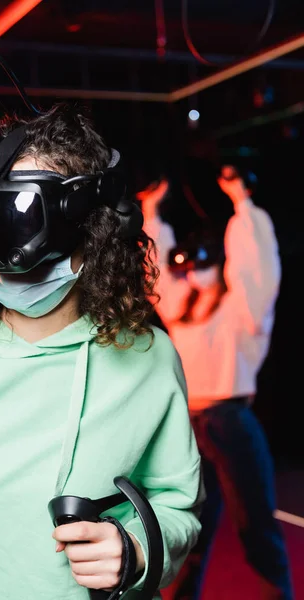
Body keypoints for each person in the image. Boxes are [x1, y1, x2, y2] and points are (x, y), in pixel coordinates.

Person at [0, 103, 203, 600]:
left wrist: (137, 550)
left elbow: (177, 506)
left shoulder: (147, 359)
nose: (20, 257)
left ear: (96, 231)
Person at [139, 167, 294, 600]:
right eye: (187, 269)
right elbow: (158, 273)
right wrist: (152, 210)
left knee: (256, 523)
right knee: (192, 529)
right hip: (189, 423)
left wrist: (241, 203)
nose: (191, 276)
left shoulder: (241, 311)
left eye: (200, 267)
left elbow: (257, 268)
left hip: (227, 420)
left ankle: (274, 593)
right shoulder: (181, 309)